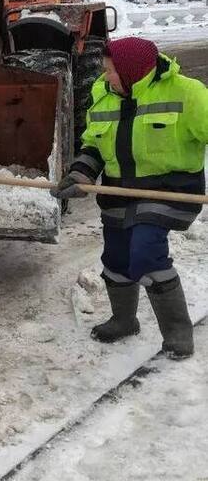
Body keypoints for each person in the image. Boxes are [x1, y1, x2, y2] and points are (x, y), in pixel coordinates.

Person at [54, 37, 208, 359]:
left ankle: (179, 335)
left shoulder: (187, 93)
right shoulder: (103, 94)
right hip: (118, 192)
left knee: (146, 252)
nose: (105, 76)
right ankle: (124, 321)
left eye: (110, 70)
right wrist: (81, 174)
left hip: (168, 190)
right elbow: (93, 145)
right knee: (117, 258)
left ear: (133, 71)